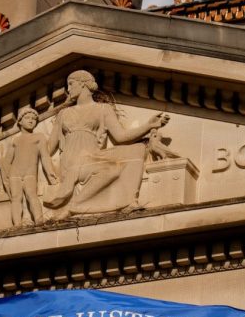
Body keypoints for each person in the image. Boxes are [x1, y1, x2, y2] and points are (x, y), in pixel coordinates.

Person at [43, 70, 169, 215]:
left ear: (83, 84)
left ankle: (128, 200)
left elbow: (121, 137)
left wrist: (148, 125)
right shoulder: (63, 114)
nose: (68, 89)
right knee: (111, 169)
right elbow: (48, 148)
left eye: (71, 84)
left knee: (137, 149)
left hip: (93, 156)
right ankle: (77, 204)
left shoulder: (103, 109)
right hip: (73, 161)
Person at [0, 107, 57, 226]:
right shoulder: (15, 140)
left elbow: (45, 157)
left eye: (34, 119)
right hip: (14, 174)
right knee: (16, 198)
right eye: (27, 118)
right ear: (20, 122)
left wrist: (50, 173)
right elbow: (6, 162)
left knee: (32, 195)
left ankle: (39, 220)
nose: (31, 120)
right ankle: (17, 224)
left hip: (30, 174)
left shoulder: (39, 137)